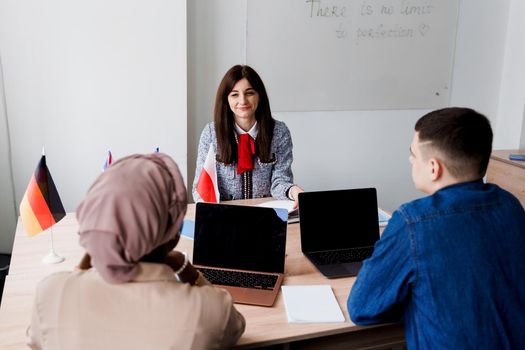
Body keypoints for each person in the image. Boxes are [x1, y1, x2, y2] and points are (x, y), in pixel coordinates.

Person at [347, 107, 525, 349]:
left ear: (434, 167)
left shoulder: (412, 221)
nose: (410, 160)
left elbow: (362, 308)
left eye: (413, 154)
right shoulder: (510, 205)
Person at [27, 153, 245, 350]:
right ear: (174, 236)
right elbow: (236, 327)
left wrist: (79, 270)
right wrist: (187, 270)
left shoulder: (49, 295)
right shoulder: (210, 310)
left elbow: (35, 340)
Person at [192, 64, 303, 206]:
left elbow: (280, 181)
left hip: (265, 215)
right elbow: (200, 188)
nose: (242, 101)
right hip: (226, 216)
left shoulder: (279, 132)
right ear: (226, 99)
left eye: (249, 93)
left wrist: (293, 191)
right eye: (234, 94)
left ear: (259, 96)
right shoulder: (211, 133)